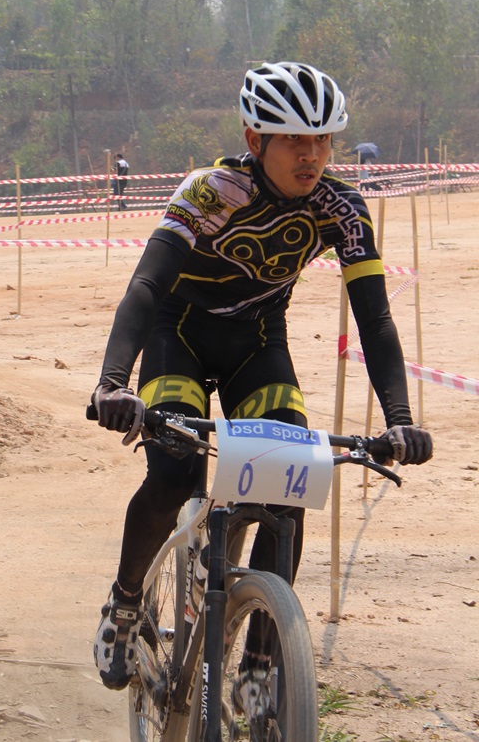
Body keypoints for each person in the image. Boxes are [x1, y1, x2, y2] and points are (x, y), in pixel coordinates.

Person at [90, 61, 433, 709]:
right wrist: (112, 383)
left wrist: (399, 419)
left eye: (323, 140)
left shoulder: (341, 208)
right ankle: (126, 604)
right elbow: (146, 285)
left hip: (256, 341)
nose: (312, 155)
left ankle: (261, 663)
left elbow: (375, 318)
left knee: (289, 486)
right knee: (173, 474)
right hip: (178, 332)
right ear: (255, 141)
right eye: (294, 140)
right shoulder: (211, 191)